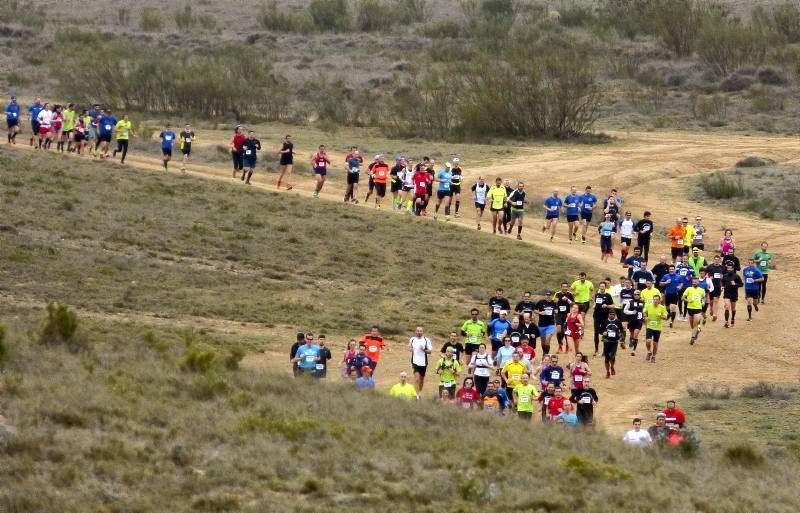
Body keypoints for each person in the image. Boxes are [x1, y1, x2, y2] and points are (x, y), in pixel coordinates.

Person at [408, 326, 432, 399]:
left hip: (423, 362)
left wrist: (424, 349)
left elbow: (430, 351)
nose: (419, 332)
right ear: (416, 331)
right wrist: (411, 349)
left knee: (421, 379)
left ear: (423, 332)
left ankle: (420, 392)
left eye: (420, 331)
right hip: (415, 361)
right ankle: (416, 395)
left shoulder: (426, 340)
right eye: (418, 331)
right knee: (417, 379)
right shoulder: (412, 339)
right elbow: (409, 347)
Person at [592, 282, 614, 357]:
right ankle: (596, 350)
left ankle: (605, 351)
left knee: (605, 333)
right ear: (599, 287)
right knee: (596, 332)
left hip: (605, 317)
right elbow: (595, 303)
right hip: (596, 316)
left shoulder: (608, 295)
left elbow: (613, 305)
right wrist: (594, 305)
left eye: (603, 286)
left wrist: (607, 305)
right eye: (600, 286)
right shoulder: (596, 295)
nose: (601, 287)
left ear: (605, 287)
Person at [644, 295, 668, 363]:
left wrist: (661, 316)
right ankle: (649, 352)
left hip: (657, 328)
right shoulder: (649, 306)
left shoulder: (662, 308)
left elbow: (666, 317)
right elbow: (645, 312)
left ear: (659, 300)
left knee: (655, 343)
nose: (655, 301)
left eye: (657, 299)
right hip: (649, 327)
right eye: (654, 299)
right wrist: (645, 317)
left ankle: (653, 356)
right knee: (648, 341)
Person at [682, 277, 706, 345]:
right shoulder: (688, 289)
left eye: (696, 282)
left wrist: (703, 302)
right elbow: (682, 298)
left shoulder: (702, 290)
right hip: (690, 308)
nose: (694, 283)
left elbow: (704, 297)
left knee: (695, 324)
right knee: (692, 325)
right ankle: (697, 330)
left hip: (698, 309)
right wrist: (687, 300)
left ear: (698, 283)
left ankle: (692, 338)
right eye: (693, 282)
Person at [623, 289, 644, 356]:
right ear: (633, 295)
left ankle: (634, 350)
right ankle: (631, 340)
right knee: (632, 334)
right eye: (635, 294)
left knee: (636, 334)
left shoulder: (642, 302)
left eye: (638, 294)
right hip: (632, 320)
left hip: (639, 321)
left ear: (640, 295)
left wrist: (645, 316)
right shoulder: (630, 302)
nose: (636, 296)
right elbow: (625, 310)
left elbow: (645, 310)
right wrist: (632, 312)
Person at [601, 310, 621, 378]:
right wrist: (603, 332)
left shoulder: (618, 321)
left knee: (612, 356)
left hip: (614, 342)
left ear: (615, 315)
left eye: (613, 314)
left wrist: (621, 338)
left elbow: (622, 330)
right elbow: (600, 329)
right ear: (608, 315)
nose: (611, 315)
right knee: (606, 358)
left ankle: (612, 366)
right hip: (606, 341)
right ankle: (607, 372)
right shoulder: (604, 321)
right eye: (610, 314)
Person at [722, 262, 743, 328]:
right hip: (726, 294)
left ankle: (733, 318)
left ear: (733, 269)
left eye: (730, 268)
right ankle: (726, 322)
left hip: (734, 294)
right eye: (728, 268)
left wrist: (735, 284)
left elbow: (741, 284)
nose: (729, 269)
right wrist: (722, 286)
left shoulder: (736, 276)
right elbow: (722, 283)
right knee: (727, 307)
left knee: (733, 309)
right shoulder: (724, 276)